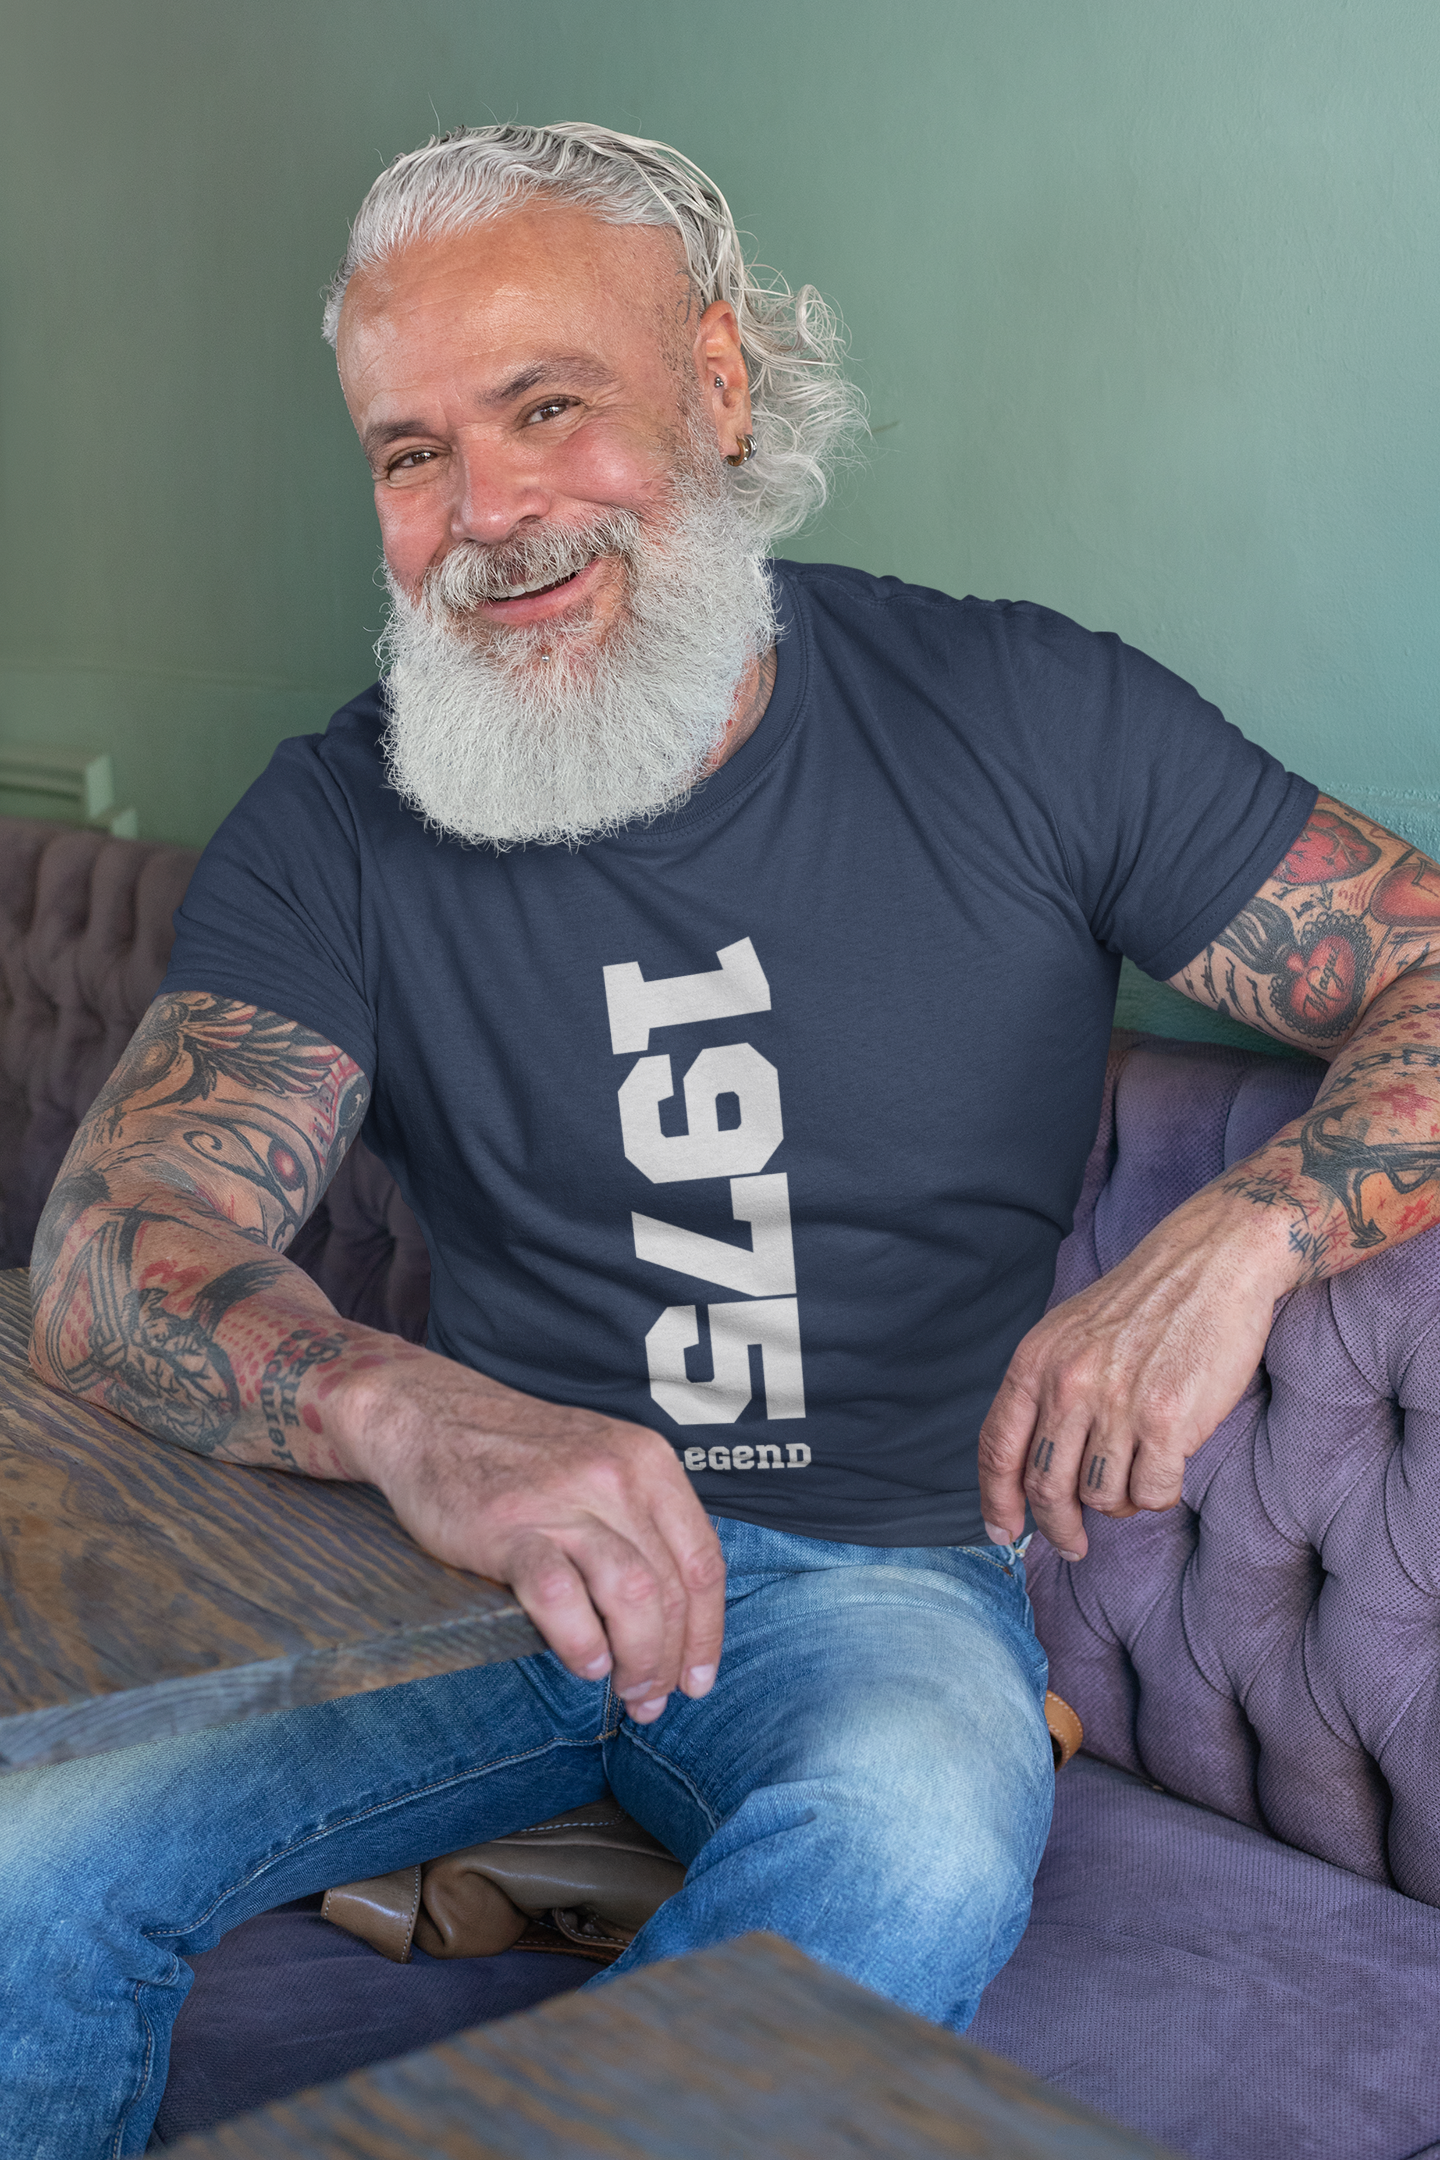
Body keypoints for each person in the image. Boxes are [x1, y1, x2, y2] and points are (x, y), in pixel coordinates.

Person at [12, 123, 1440, 2156]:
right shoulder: (340, 815)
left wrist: (1250, 1233)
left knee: (914, 1845)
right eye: (411, 453)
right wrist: (420, 1421)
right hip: (451, 1569)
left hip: (882, 1580)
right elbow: (109, 1242)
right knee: (27, 1847)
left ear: (721, 386)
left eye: (548, 407)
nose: (485, 510)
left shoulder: (1027, 716)